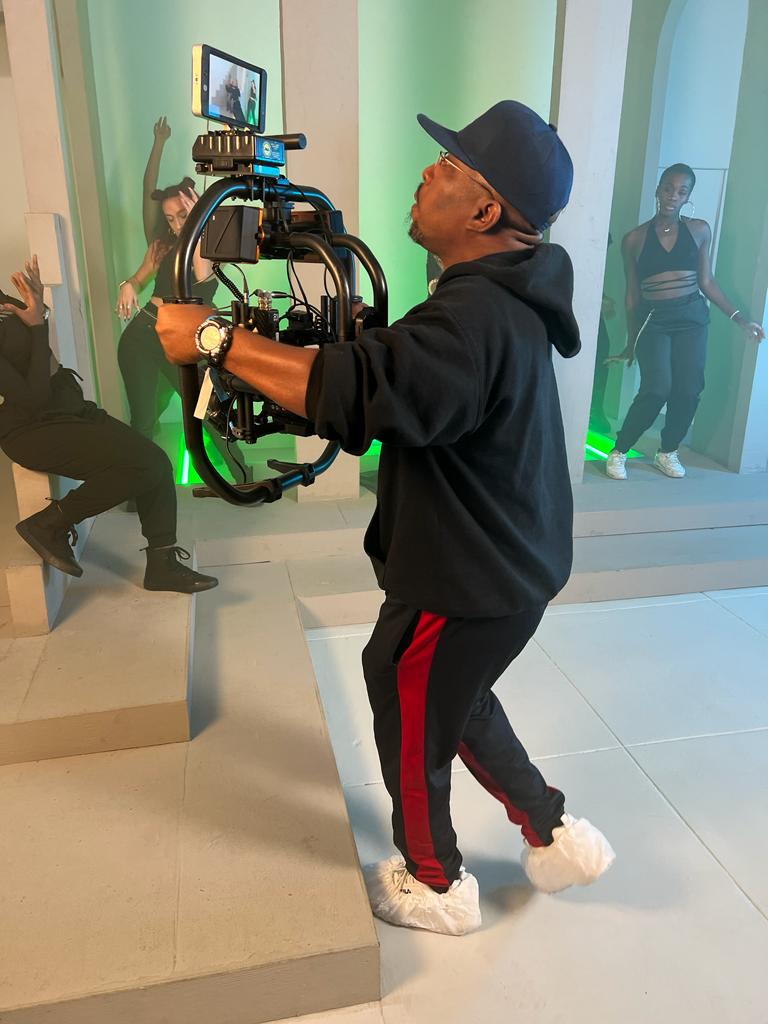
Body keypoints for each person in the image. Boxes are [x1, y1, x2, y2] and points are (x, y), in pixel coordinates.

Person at [156, 101, 615, 937]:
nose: (426, 174)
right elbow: (406, 378)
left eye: (447, 167)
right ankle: (551, 831)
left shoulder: (473, 316)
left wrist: (216, 340)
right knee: (444, 692)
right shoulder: (495, 297)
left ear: (485, 210)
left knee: (410, 701)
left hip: (471, 576)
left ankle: (435, 883)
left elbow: (370, 394)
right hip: (499, 562)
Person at [0, 257, 218, 594]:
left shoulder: (4, 301)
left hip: (69, 409)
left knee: (157, 462)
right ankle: (49, 522)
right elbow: (32, 398)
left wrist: (39, 312)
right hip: (31, 430)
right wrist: (37, 324)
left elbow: (36, 355)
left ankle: (162, 565)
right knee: (144, 465)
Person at [605, 163, 765, 480]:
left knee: (689, 389)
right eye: (668, 188)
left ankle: (667, 451)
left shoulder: (699, 230)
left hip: (692, 318)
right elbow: (632, 296)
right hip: (655, 319)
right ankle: (620, 450)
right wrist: (631, 341)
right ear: (658, 190)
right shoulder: (634, 239)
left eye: (681, 191)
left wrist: (741, 320)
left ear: (688, 196)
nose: (673, 196)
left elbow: (707, 282)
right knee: (657, 388)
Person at [116, 141, 247, 482]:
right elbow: (139, 279)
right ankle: (140, 490)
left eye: (183, 215)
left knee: (206, 411)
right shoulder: (163, 245)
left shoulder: (208, 246)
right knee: (143, 421)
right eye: (170, 218)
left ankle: (243, 477)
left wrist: (198, 221)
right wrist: (127, 285)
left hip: (179, 342)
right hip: (142, 336)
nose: (176, 224)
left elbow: (202, 281)